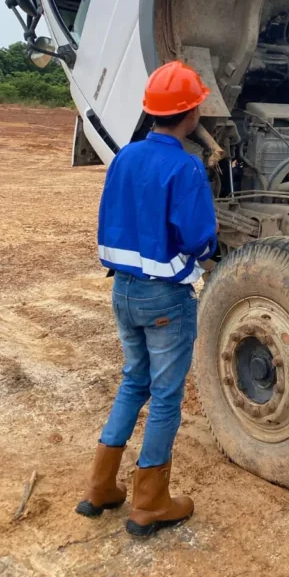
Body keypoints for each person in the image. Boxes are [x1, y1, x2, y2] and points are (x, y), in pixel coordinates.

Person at [75, 61, 217, 537]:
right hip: (165, 300)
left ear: (151, 111)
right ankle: (151, 502)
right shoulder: (186, 166)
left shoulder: (125, 157)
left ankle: (100, 487)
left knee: (134, 381)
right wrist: (208, 245)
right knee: (165, 395)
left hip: (123, 290)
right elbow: (197, 239)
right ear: (192, 114)